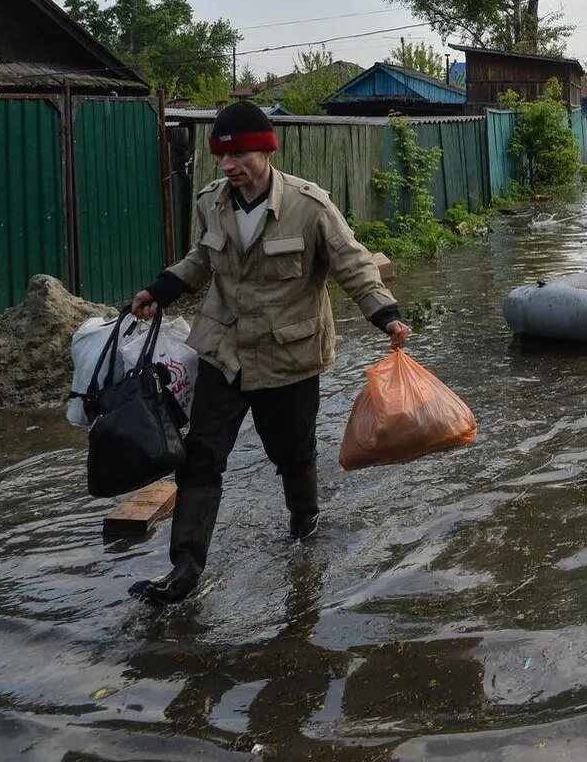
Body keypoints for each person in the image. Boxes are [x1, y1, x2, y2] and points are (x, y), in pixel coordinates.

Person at [126, 100, 412, 605]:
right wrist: (161, 289)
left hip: (288, 356)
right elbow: (201, 259)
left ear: (264, 150)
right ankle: (186, 570)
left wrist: (384, 314)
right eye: (221, 156)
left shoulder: (310, 205)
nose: (228, 165)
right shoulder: (212, 200)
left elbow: (352, 264)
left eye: (237, 155)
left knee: (292, 453)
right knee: (201, 455)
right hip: (223, 350)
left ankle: (304, 524)